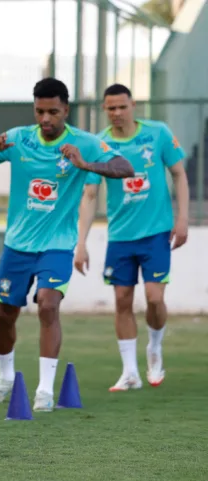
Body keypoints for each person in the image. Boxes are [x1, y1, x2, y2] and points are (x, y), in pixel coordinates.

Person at [0, 78, 134, 412]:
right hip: (17, 246)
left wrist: (86, 166)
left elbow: (124, 167)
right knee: (4, 314)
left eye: (53, 112)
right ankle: (6, 378)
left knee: (48, 304)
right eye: (40, 111)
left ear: (66, 110)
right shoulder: (18, 138)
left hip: (57, 246)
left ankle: (44, 389)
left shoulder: (83, 142)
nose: (46, 118)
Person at [74, 83, 189, 391]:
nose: (117, 113)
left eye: (122, 107)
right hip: (120, 237)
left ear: (133, 105)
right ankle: (130, 372)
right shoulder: (99, 144)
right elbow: (89, 194)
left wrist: (182, 219)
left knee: (154, 298)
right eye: (111, 108)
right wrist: (81, 242)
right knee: (122, 301)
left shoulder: (158, 133)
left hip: (156, 233)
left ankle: (154, 348)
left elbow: (179, 173)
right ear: (104, 109)